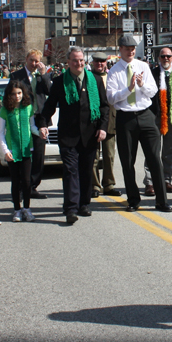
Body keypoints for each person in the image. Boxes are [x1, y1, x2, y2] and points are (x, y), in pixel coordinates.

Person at [40, 47, 109, 224]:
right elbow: (49, 106)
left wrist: (102, 127)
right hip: (68, 135)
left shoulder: (94, 80)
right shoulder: (59, 82)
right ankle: (70, 208)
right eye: (74, 60)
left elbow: (104, 106)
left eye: (81, 60)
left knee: (86, 170)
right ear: (68, 62)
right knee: (71, 171)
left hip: (90, 134)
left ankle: (84, 204)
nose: (78, 63)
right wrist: (42, 124)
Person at [106, 35, 172, 213]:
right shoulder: (114, 71)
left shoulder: (143, 66)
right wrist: (128, 90)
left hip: (145, 115)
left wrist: (141, 84)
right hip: (125, 118)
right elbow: (111, 98)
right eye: (127, 48)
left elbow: (153, 92)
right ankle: (133, 200)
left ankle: (161, 201)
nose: (131, 51)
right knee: (128, 162)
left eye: (133, 48)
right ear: (120, 49)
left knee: (154, 159)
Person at [0, 81, 46, 222]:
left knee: (26, 181)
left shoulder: (28, 108)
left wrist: (40, 133)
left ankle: (26, 208)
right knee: (15, 180)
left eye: (19, 93)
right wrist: (5, 150)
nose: (17, 96)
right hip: (12, 150)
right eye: (13, 94)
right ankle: (17, 210)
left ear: (23, 94)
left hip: (26, 149)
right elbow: (0, 132)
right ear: (9, 95)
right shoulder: (5, 110)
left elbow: (31, 126)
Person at [8, 49, 51, 199]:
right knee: (24, 152)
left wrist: (44, 74)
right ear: (26, 59)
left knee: (39, 154)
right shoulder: (16, 75)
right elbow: (11, 95)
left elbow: (49, 91)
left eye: (37, 61)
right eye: (32, 60)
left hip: (40, 117)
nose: (34, 64)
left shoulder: (42, 75)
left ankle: (32, 186)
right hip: (23, 117)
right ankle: (21, 187)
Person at [143, 47, 172, 196]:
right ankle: (150, 182)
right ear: (158, 58)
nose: (165, 59)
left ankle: (166, 179)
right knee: (153, 150)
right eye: (163, 56)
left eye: (168, 56)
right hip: (155, 116)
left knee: (169, 151)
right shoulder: (151, 74)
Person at [90, 52, 121, 198]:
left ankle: (108, 185)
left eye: (102, 62)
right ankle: (94, 186)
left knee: (109, 155)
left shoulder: (111, 77)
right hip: (93, 122)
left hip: (110, 121)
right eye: (97, 62)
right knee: (94, 156)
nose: (99, 64)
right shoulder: (88, 78)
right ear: (92, 63)